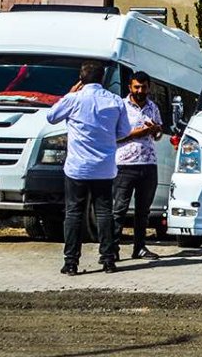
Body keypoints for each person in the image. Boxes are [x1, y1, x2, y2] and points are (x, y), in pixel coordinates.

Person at [46, 61, 131, 275]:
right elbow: (123, 132)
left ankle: (71, 262)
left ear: (81, 79)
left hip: (78, 167)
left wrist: (68, 93)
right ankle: (108, 259)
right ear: (102, 78)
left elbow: (52, 116)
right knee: (104, 213)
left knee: (74, 213)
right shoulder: (115, 101)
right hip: (104, 167)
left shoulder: (74, 99)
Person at [114, 71, 163, 260]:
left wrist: (155, 130)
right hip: (124, 164)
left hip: (148, 164)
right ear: (130, 87)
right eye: (136, 87)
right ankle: (112, 249)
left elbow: (157, 136)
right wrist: (137, 133)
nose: (140, 91)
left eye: (143, 87)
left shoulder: (153, 107)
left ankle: (140, 247)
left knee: (143, 211)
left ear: (148, 87)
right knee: (119, 209)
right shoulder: (120, 107)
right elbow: (115, 135)